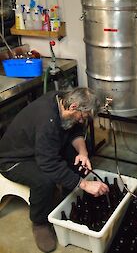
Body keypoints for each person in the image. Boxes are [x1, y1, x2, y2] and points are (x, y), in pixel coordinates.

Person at [0, 87, 109, 253]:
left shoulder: (62, 99)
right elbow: (49, 164)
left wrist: (83, 152)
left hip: (40, 149)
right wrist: (85, 185)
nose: (82, 121)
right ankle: (40, 222)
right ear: (74, 107)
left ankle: (68, 199)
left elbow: (76, 130)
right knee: (45, 180)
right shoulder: (47, 121)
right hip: (14, 159)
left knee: (77, 160)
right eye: (82, 117)